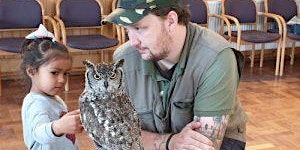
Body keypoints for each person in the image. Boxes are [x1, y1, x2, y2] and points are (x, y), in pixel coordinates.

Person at [102, 0, 248, 150]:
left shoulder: (215, 58)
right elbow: (114, 133)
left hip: (221, 142)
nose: (132, 42)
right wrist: (169, 142)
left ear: (171, 21)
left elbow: (203, 146)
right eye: (127, 30)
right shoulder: (124, 59)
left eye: (139, 28)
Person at [20, 24, 83, 150]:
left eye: (65, 73)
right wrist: (58, 127)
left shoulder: (53, 98)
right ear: (32, 71)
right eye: (54, 72)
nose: (62, 80)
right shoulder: (35, 103)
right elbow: (38, 133)